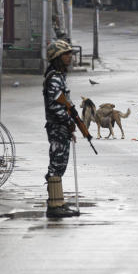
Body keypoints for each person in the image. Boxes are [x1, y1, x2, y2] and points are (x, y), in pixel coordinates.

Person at [43, 39, 81, 218]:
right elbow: (55, 106)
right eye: (66, 54)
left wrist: (73, 122)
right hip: (57, 127)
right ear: (57, 57)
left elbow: (66, 103)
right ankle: (54, 205)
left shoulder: (59, 76)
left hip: (62, 127)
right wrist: (69, 121)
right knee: (56, 165)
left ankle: (59, 202)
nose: (70, 57)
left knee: (60, 164)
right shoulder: (54, 78)